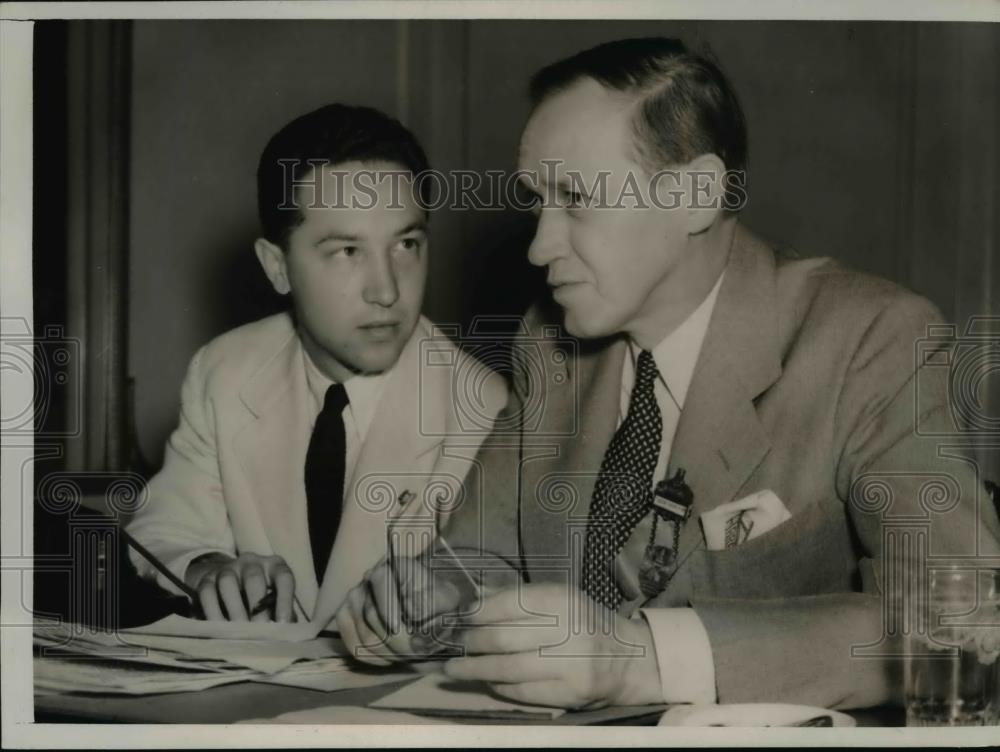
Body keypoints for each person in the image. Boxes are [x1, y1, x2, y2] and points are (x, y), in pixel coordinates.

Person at [335, 38, 1000, 709]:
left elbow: (964, 621)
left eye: (575, 199)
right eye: (538, 202)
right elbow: (482, 555)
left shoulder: (868, 340)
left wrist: (647, 660)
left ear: (697, 195)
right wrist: (425, 599)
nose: (540, 245)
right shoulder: (551, 341)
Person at [126, 103, 507, 626]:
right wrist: (207, 566)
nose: (387, 290)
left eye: (407, 244)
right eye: (348, 251)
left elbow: (490, 591)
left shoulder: (484, 406)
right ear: (277, 267)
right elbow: (166, 525)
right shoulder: (225, 371)